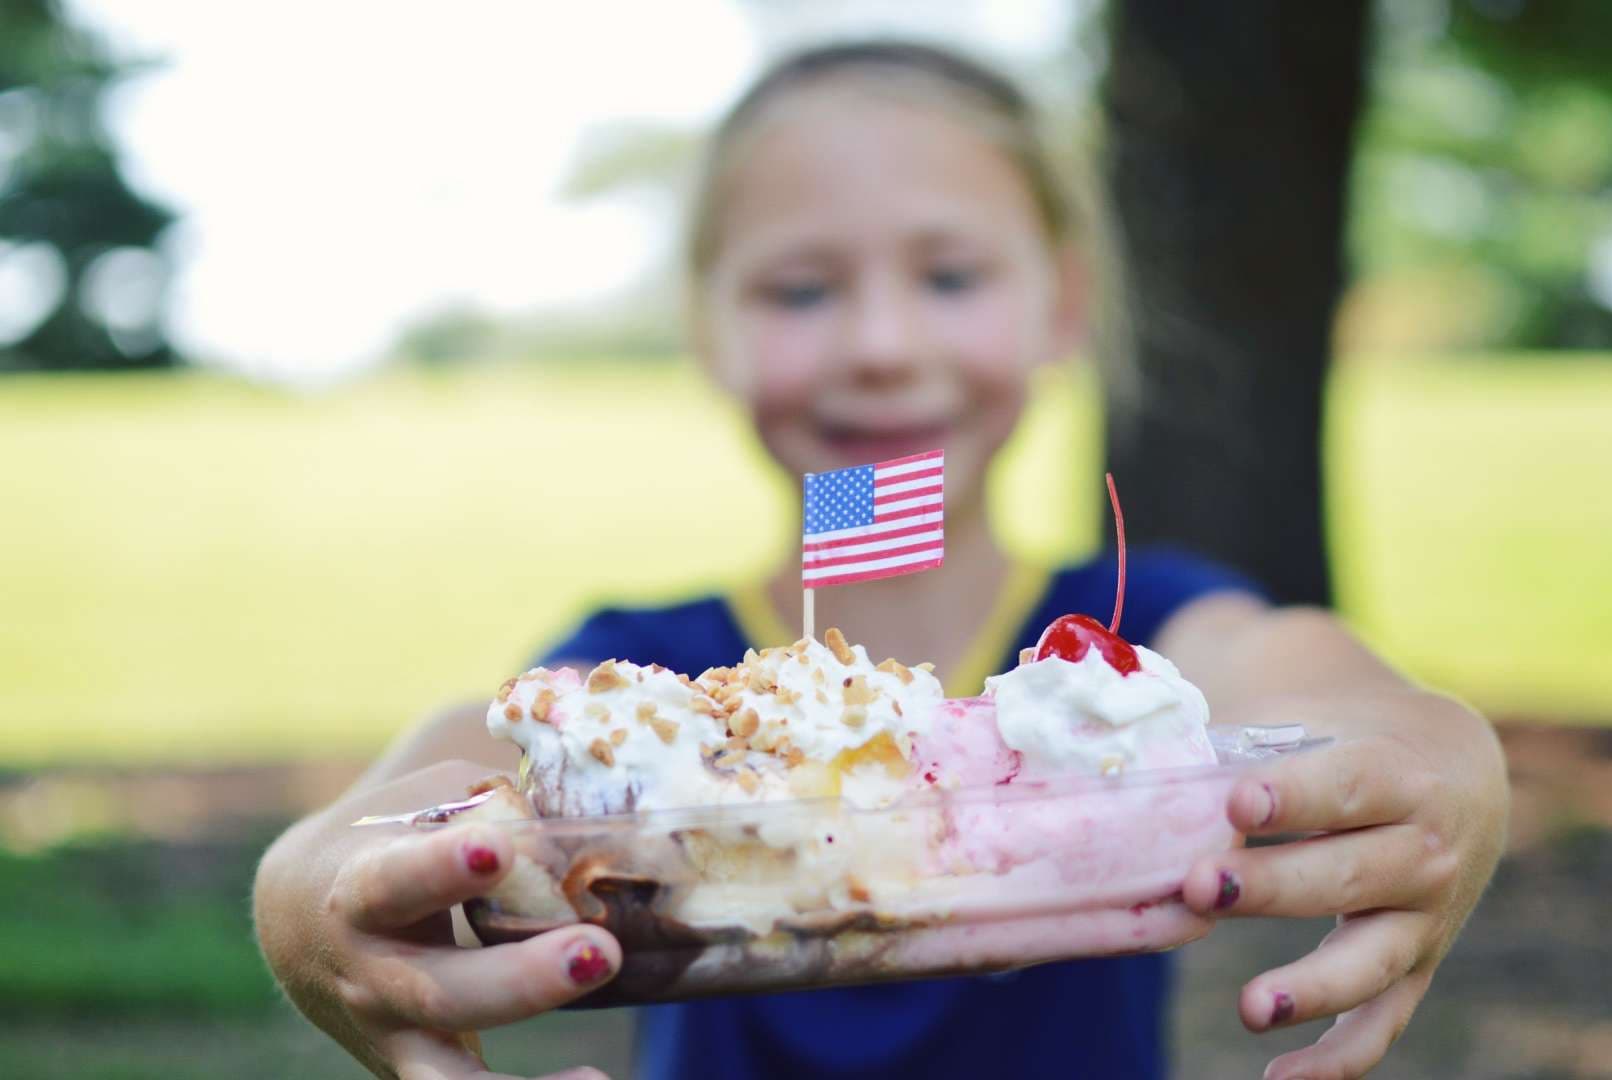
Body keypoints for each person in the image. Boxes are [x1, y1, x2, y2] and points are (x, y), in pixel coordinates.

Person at [253, 41, 1509, 1080]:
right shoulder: (653, 674)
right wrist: (306, 901)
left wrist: (1453, 762)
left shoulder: (1123, 641)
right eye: (800, 290)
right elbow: (437, 773)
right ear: (708, 329)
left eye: (950, 275)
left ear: (1062, 303)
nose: (879, 342)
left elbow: (1316, 680)